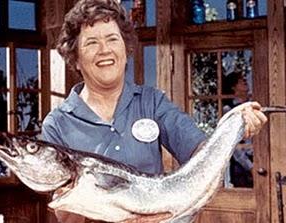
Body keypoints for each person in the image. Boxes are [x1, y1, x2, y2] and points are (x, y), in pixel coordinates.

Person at [41, 0, 267, 222]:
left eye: (112, 39)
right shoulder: (58, 124)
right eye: (91, 43)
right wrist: (76, 197)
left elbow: (201, 150)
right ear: (76, 58)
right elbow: (66, 216)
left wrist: (233, 124)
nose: (104, 50)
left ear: (126, 49)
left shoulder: (151, 102)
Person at [222, 72, 254, 188]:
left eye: (244, 78)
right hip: (241, 167)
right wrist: (250, 167)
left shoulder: (252, 106)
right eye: (240, 80)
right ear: (233, 87)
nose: (244, 80)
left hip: (258, 160)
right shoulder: (229, 110)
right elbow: (234, 146)